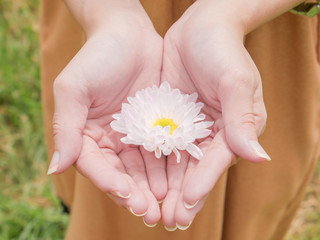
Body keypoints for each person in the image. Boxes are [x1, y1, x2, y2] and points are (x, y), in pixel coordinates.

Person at [41, 0, 320, 239]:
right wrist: (108, 15)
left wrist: (229, 12)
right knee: (108, 217)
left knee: (254, 203)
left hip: (266, 21)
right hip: (99, 16)